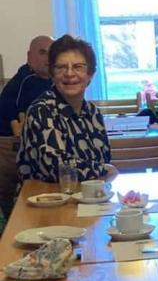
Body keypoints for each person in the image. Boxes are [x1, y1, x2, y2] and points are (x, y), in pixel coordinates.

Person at [17, 34, 117, 183]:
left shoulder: (93, 112)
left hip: (88, 199)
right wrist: (103, 169)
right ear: (52, 74)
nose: (69, 74)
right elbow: (56, 168)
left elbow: (105, 159)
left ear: (90, 74)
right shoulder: (41, 110)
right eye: (61, 67)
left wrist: (103, 168)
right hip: (45, 200)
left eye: (78, 67)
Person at [0, 35, 54, 136]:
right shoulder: (24, 79)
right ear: (29, 56)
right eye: (42, 52)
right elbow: (7, 108)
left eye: (52, 53)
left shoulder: (56, 81)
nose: (49, 58)